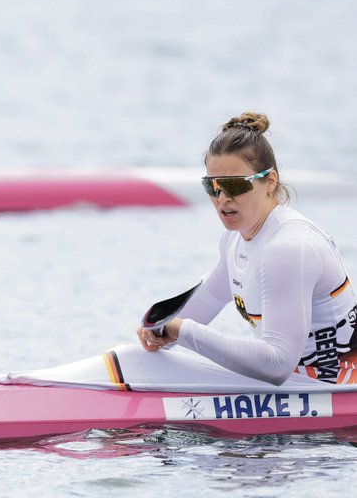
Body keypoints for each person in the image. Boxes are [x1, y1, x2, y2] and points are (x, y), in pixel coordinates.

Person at [136, 111, 357, 386]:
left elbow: (277, 364)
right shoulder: (235, 240)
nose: (222, 199)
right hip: (295, 382)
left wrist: (182, 331)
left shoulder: (288, 249)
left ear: (271, 181)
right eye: (212, 186)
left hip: (336, 389)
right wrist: (158, 331)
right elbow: (208, 300)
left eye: (236, 185)